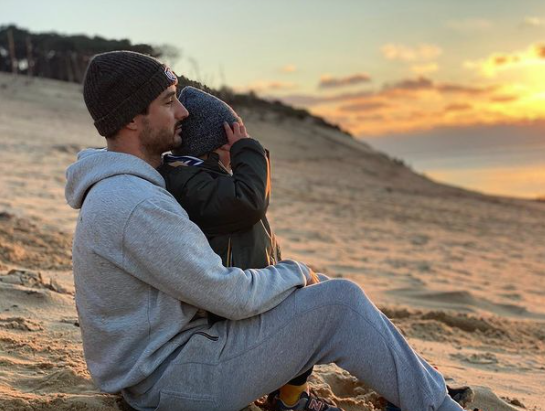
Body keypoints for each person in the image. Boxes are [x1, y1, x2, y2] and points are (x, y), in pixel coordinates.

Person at [65, 50, 470, 411]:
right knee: (339, 302)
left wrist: (301, 281)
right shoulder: (136, 203)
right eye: (169, 102)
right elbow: (230, 296)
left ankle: (414, 390)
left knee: (319, 292)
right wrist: (296, 270)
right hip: (169, 382)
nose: (183, 113)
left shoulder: (129, 188)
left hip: (170, 363)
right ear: (134, 120)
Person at [157, 86, 320, 410]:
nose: (242, 143)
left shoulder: (208, 179)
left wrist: (244, 152)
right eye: (235, 136)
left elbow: (250, 199)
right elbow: (251, 200)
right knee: (324, 308)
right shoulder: (191, 183)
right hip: (237, 309)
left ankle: (292, 396)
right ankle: (289, 401)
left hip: (252, 291)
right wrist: (249, 150)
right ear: (216, 143)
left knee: (326, 292)